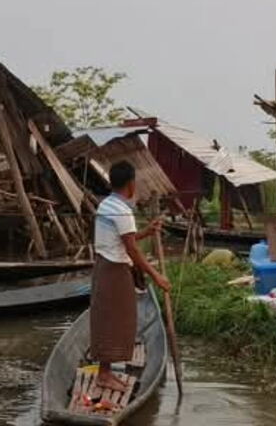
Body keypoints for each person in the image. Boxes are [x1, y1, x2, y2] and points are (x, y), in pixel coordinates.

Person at [91, 161, 171, 393]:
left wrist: (147, 231)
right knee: (117, 320)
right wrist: (157, 276)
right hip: (114, 271)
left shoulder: (106, 204)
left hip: (105, 268)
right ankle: (104, 375)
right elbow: (132, 250)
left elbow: (125, 240)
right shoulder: (122, 210)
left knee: (109, 319)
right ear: (131, 184)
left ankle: (105, 371)